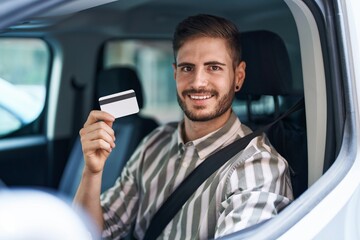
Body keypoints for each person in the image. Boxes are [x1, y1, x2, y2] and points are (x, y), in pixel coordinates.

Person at [74, 14, 293, 239]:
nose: (198, 82)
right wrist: (92, 172)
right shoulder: (155, 142)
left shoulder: (258, 168)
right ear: (175, 73)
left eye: (214, 67)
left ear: (238, 76)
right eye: (187, 68)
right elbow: (92, 232)